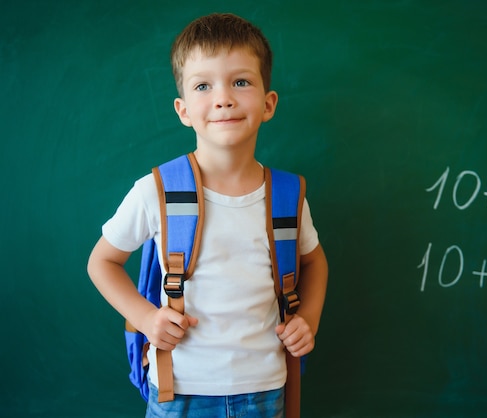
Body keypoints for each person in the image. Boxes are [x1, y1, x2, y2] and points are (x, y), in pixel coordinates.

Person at [87, 13, 328, 418]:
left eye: (241, 81)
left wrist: (309, 319)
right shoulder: (155, 191)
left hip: (266, 390)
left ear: (268, 103)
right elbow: (102, 262)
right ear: (182, 110)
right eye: (203, 85)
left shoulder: (288, 196)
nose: (223, 98)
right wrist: (146, 318)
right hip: (179, 390)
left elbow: (314, 261)